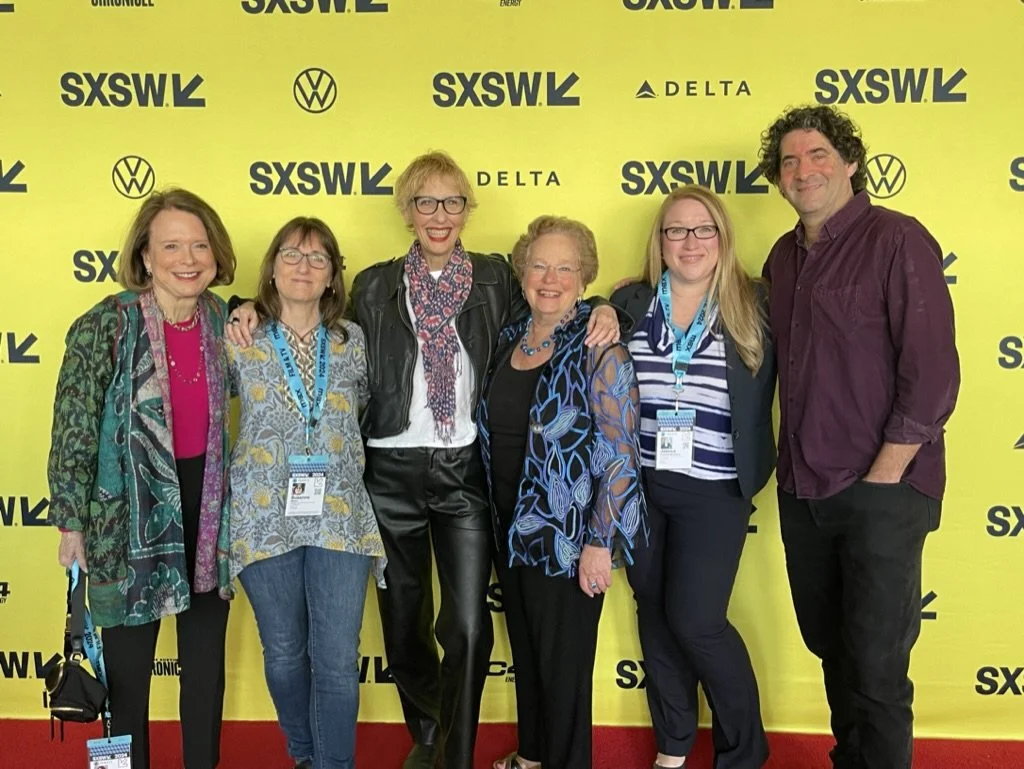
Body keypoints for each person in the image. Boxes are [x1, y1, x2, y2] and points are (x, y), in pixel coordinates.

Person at [226, 151, 621, 769]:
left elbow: (556, 307)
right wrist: (239, 307)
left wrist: (609, 308)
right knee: (403, 621)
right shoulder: (374, 285)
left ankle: (455, 757)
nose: (440, 215)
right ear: (407, 213)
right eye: (425, 202)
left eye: (453, 202)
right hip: (389, 473)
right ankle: (429, 733)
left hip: (463, 471)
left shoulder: (495, 279)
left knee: (466, 624)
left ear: (467, 211)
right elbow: (308, 329)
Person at [758, 105, 960, 769]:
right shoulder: (782, 257)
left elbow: (930, 374)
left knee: (875, 662)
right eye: (789, 161)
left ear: (849, 163)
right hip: (804, 487)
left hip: (883, 487)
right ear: (778, 179)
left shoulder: (898, 239)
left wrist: (885, 473)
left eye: (817, 155)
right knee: (832, 645)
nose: (803, 170)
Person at [48, 188, 236, 769]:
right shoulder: (105, 325)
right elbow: (74, 425)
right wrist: (71, 521)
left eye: (199, 245)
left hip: (207, 514)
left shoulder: (224, 319)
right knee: (126, 685)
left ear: (216, 253)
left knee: (204, 675)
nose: (188, 258)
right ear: (146, 257)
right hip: (124, 519)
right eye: (172, 245)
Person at [611, 185, 775, 769]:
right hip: (644, 487)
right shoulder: (628, 301)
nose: (690, 242)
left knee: (696, 622)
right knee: (653, 618)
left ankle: (744, 755)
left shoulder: (754, 302)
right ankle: (673, 748)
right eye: (675, 230)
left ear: (723, 237)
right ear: (659, 240)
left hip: (715, 489)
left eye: (704, 229)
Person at [478, 215, 646, 769]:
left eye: (565, 267)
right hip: (509, 528)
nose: (550, 278)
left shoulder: (600, 347)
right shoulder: (509, 338)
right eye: (539, 265)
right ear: (522, 272)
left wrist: (600, 542)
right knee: (527, 655)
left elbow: (621, 456)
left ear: (584, 276)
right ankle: (531, 757)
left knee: (564, 671)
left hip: (569, 537)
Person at [226, 217, 386, 769]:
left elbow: (366, 410)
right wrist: (238, 305)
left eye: (319, 258)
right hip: (261, 514)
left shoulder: (352, 341)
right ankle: (304, 757)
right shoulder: (238, 336)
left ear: (334, 277)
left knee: (338, 660)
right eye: (291, 255)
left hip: (340, 515)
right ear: (270, 268)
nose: (303, 266)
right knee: (287, 654)